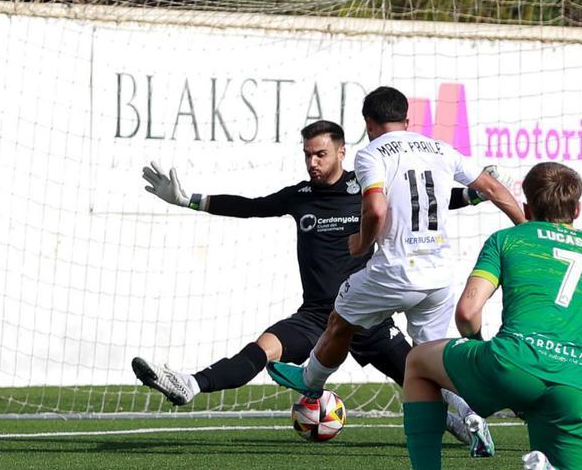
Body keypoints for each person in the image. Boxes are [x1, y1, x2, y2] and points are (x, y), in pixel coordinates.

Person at [132, 119, 502, 445]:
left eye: (321, 154)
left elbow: (423, 199)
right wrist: (187, 200)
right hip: (316, 318)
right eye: (308, 155)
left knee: (422, 378)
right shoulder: (299, 197)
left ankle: (463, 422)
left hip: (370, 317)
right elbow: (250, 205)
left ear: (342, 152)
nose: (313, 163)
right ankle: (189, 384)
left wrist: (473, 193)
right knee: (262, 349)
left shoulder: (368, 185)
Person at [267, 87, 526, 458]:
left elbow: (375, 209)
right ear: (407, 120)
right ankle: (470, 417)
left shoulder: (371, 153)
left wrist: (361, 243)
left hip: (395, 272)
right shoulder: (439, 149)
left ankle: (311, 381)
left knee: (339, 319)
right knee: (430, 359)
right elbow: (492, 188)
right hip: (438, 278)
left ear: (368, 124)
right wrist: (524, 228)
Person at [399, 161, 582, 470]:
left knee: (417, 361)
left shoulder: (509, 239)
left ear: (526, 206)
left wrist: (480, 355)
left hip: (511, 362)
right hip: (576, 383)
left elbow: (467, 312)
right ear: (577, 210)